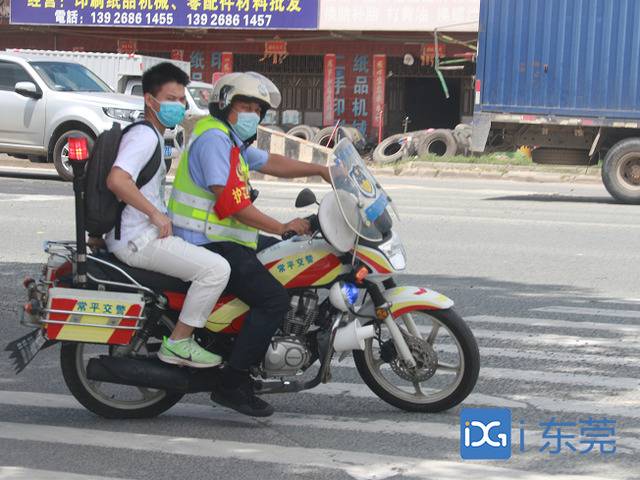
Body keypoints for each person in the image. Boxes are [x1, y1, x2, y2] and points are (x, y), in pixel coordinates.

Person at [169, 72, 331, 417]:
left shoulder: (231, 141)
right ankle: (233, 383)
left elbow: (270, 161)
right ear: (225, 106)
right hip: (206, 243)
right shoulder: (214, 140)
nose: (252, 114)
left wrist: (321, 169)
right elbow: (233, 206)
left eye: (257, 109)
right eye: (245, 106)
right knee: (272, 299)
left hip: (223, 238)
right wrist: (283, 225)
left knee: (285, 259)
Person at [105, 62, 230, 369]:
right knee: (216, 270)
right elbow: (117, 180)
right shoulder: (145, 136)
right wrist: (156, 216)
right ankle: (178, 342)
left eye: (180, 99)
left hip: (138, 234)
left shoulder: (153, 135)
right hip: (140, 240)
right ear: (150, 100)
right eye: (171, 99)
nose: (178, 106)